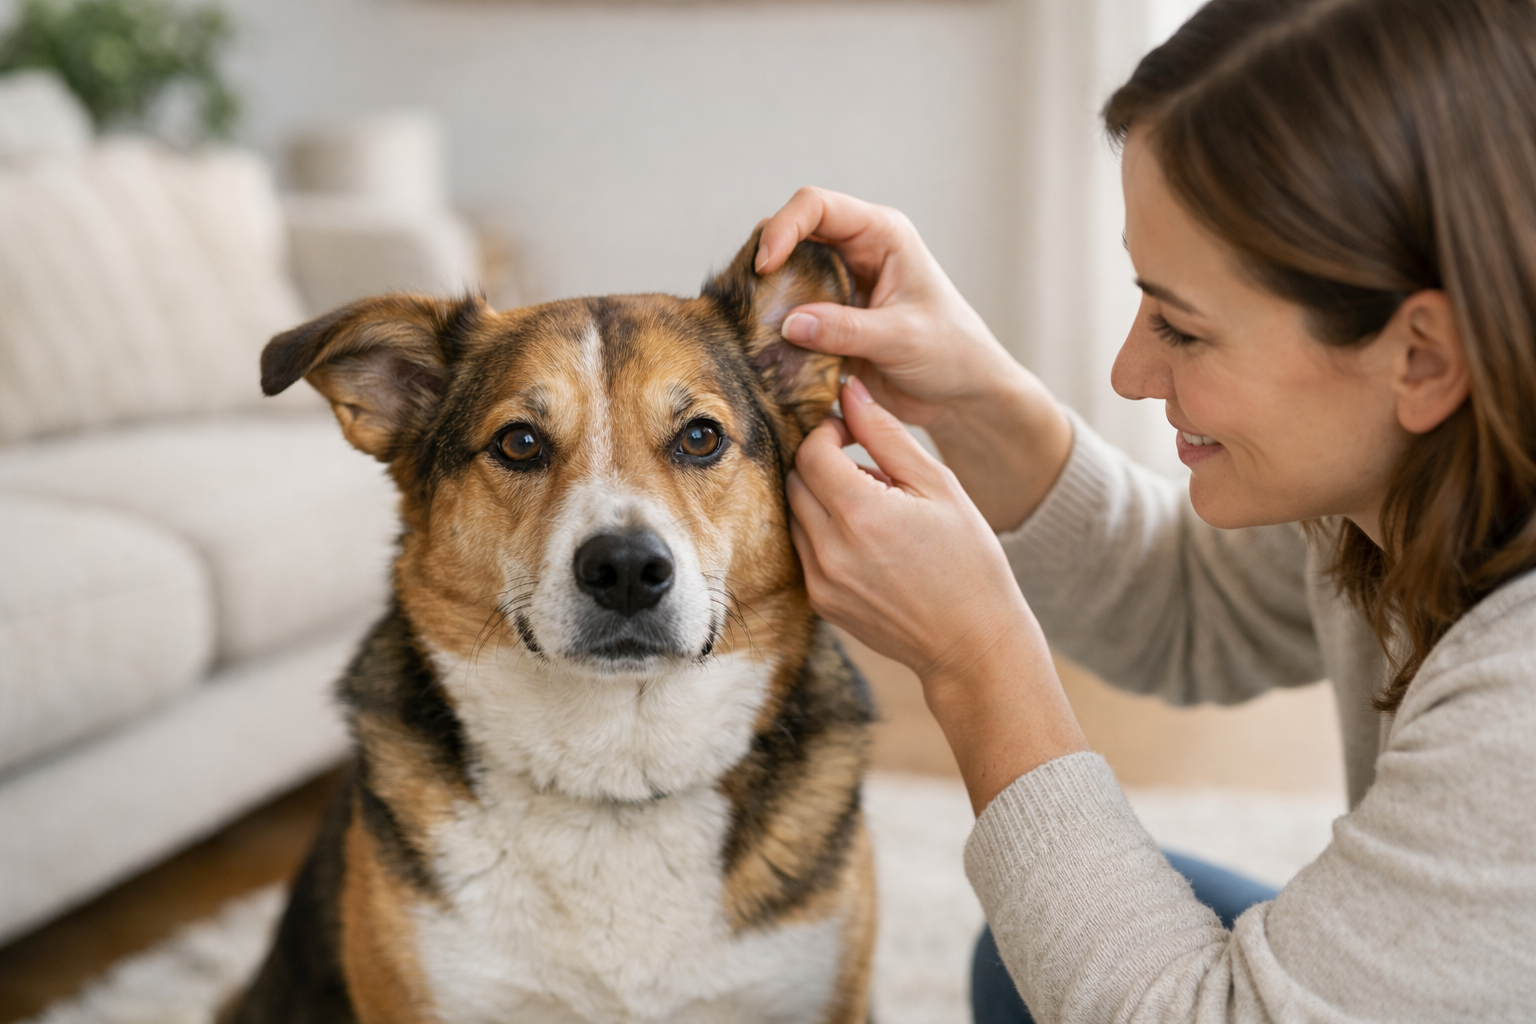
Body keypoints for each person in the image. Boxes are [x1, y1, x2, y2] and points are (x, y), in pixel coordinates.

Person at [753, 0, 1536, 1020]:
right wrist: (977, 401)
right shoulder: (1406, 475)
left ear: (1423, 357)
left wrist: (975, 659)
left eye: (1183, 327)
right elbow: (1191, 605)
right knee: (1027, 960)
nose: (1128, 371)